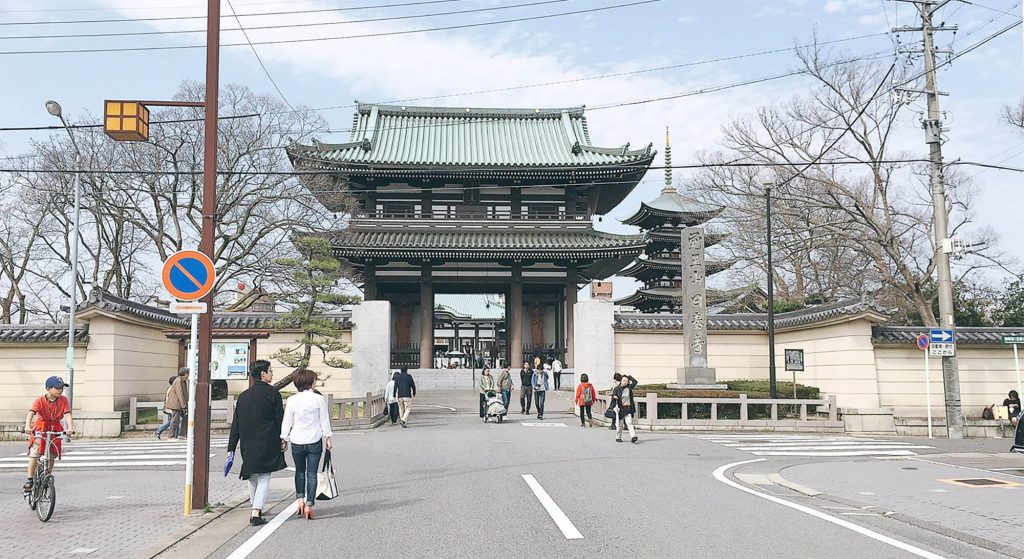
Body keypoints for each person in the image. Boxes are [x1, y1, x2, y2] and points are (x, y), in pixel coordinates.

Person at [227, 360, 287, 526]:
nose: (272, 373)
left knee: (252, 474)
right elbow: (279, 419)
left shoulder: (243, 396)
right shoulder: (272, 393)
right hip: (268, 440)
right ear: (263, 374)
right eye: (270, 371)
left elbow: (236, 423)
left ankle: (255, 506)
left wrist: (231, 447)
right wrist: (283, 438)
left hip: (247, 441)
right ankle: (256, 511)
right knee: (264, 475)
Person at [281, 368, 333, 521]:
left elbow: (287, 421)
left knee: (299, 471)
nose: (315, 383)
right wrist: (328, 437)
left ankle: (300, 500)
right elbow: (324, 420)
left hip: (297, 439)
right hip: (314, 440)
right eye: (314, 380)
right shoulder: (318, 399)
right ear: (310, 383)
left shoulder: (292, 400)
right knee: (312, 473)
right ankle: (309, 504)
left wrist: (284, 438)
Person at [23, 376, 74, 495]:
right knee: (34, 454)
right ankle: (30, 480)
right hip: (41, 428)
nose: (60, 390)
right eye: (57, 388)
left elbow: (67, 414)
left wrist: (70, 427)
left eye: (62, 387)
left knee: (52, 455)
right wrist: (27, 426)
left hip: (55, 428)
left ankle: (47, 476)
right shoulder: (40, 400)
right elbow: (31, 413)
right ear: (48, 389)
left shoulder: (63, 400)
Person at [156, 367, 189, 440]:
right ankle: (171, 436)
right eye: (188, 374)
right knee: (175, 420)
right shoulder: (178, 381)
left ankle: (182, 434)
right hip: (176, 404)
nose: (188, 376)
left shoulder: (182, 381)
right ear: (185, 374)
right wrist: (184, 405)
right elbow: (180, 394)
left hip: (180, 404)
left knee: (184, 418)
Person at [611, 373, 639, 443]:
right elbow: (613, 396)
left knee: (629, 423)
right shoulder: (617, 389)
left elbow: (635, 382)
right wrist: (614, 397)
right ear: (621, 381)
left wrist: (629, 377)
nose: (625, 382)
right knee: (620, 425)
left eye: (626, 381)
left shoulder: (629, 388)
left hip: (628, 408)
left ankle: (633, 436)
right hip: (620, 409)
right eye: (624, 380)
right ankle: (618, 437)